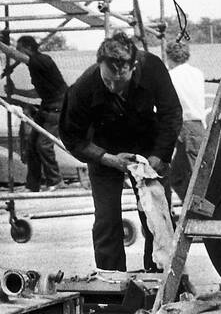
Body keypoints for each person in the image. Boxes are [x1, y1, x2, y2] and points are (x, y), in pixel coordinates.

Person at [60, 32, 182, 271]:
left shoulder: (152, 68)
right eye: (108, 82)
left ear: (133, 67)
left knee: (158, 215)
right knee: (107, 219)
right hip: (105, 150)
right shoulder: (84, 87)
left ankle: (159, 276)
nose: (114, 88)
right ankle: (111, 282)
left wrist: (159, 155)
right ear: (99, 66)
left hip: (148, 147)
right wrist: (107, 159)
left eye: (121, 81)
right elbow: (71, 136)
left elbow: (171, 114)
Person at [13, 35, 67, 190]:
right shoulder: (36, 66)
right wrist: (16, 91)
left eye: (20, 48)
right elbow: (37, 93)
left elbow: (15, 55)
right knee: (32, 145)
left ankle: (56, 181)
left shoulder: (41, 60)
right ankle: (33, 184)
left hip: (58, 106)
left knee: (43, 145)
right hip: (47, 105)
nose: (18, 52)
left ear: (28, 48)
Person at [164, 40, 206, 204]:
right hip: (197, 126)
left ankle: (200, 213)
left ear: (169, 58)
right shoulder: (197, 73)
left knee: (195, 179)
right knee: (178, 176)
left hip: (185, 127)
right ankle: (192, 210)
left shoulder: (171, 76)